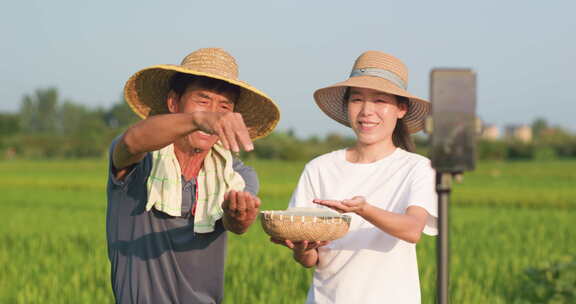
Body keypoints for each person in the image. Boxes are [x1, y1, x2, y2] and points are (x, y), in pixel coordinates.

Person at [106, 48, 280, 304]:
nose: (215, 113)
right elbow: (132, 142)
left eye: (224, 107)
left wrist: (238, 217)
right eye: (203, 101)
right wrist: (198, 120)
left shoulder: (236, 174)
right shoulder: (142, 160)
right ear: (174, 103)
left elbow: (237, 226)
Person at [272, 50, 437, 303]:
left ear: (401, 109)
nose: (366, 111)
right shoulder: (319, 168)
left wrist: (364, 210)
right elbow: (310, 260)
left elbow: (412, 229)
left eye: (380, 101)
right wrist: (301, 250)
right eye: (357, 99)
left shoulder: (417, 168)